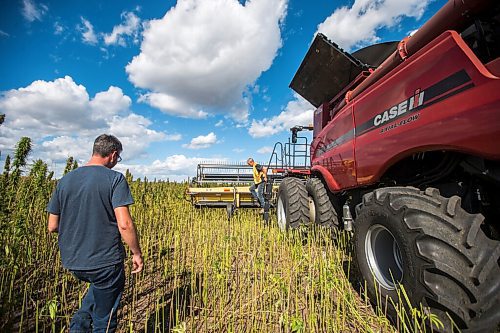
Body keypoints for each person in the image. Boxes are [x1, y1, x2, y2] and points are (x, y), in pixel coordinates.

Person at [47, 134, 143, 333]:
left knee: (95, 294)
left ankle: (77, 329)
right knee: (104, 320)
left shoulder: (65, 180)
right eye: (118, 158)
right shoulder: (115, 179)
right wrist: (136, 253)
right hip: (105, 262)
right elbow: (124, 224)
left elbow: (52, 226)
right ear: (113, 155)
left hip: (73, 261)